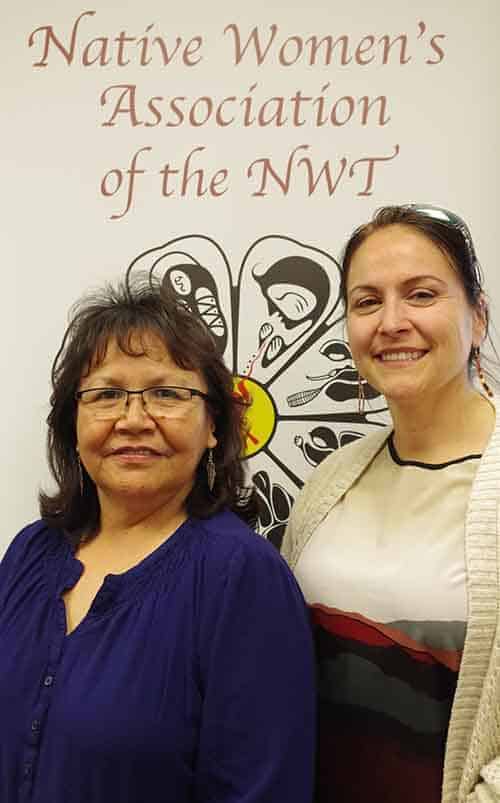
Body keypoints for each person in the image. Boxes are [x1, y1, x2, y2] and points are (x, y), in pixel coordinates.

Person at [0, 276, 315, 803]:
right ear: (72, 424)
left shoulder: (242, 579)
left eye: (167, 394)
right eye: (107, 395)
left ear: (214, 423)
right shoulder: (30, 553)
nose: (133, 420)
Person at [282, 204, 500, 803]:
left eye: (421, 294)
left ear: (477, 317)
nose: (392, 321)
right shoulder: (332, 481)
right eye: (367, 301)